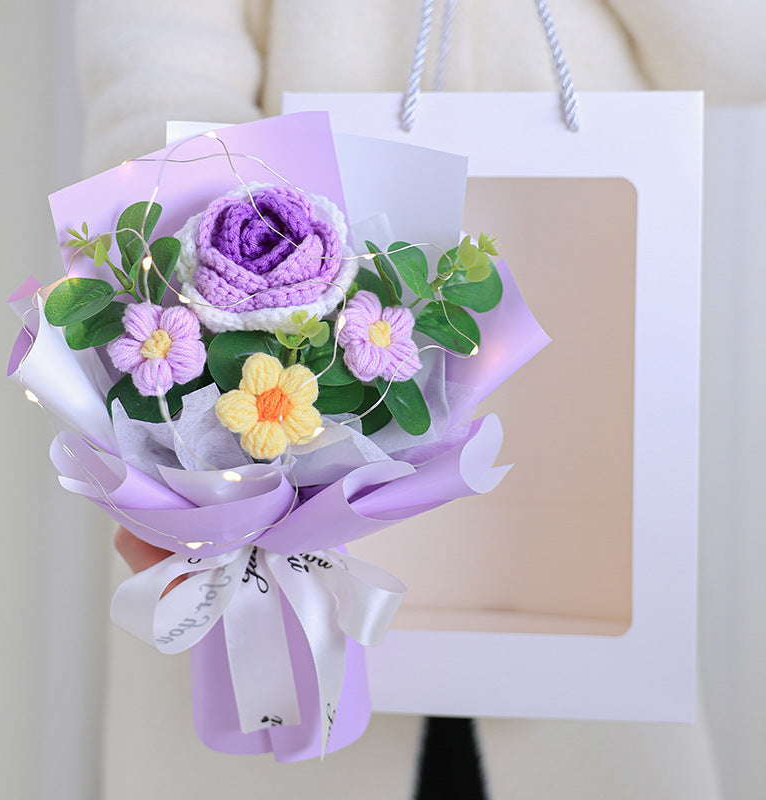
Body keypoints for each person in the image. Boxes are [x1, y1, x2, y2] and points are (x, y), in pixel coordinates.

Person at [79, 2, 765, 797]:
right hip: (273, 399)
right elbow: (157, 67)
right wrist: (206, 343)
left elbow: (740, 54)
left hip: (580, 386)